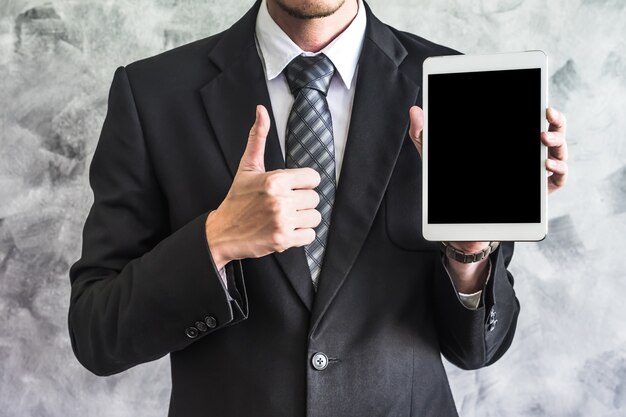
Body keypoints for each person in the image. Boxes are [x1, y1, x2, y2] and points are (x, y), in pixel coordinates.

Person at [68, 0, 569, 416]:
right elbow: (97, 334)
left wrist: (470, 246)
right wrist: (217, 238)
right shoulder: (152, 95)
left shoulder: (459, 89)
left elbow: (476, 350)